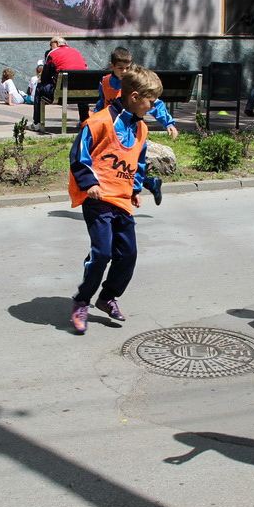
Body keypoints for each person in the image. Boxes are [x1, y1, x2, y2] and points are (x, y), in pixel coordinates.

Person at [66, 64, 160, 334]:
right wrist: (90, 184)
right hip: (98, 199)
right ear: (135, 97)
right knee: (102, 253)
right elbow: (78, 156)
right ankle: (82, 300)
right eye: (151, 101)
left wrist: (135, 189)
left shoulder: (141, 129)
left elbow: (138, 162)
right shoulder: (99, 122)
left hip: (121, 199)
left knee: (128, 254)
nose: (152, 106)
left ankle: (107, 297)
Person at [94, 46, 177, 206]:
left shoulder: (134, 83)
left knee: (125, 163)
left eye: (128, 67)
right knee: (115, 164)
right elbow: (101, 102)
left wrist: (168, 122)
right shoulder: (105, 82)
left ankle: (128, 194)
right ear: (112, 66)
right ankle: (150, 184)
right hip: (109, 128)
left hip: (131, 129)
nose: (124, 71)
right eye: (120, 68)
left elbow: (154, 103)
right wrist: (94, 118)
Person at [31, 36, 87, 133]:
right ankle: (84, 120)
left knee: (39, 87)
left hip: (61, 94)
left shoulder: (52, 53)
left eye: (50, 45)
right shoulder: (77, 52)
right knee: (79, 86)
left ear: (56, 43)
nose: (50, 48)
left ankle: (37, 123)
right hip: (81, 93)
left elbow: (44, 78)